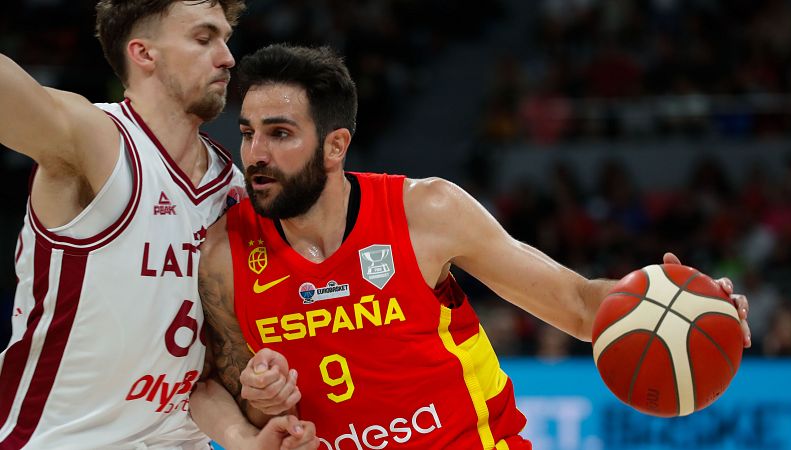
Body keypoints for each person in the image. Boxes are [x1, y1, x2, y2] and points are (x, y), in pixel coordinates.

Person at [195, 44, 752, 449]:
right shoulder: (226, 253)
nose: (255, 154)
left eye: (280, 133)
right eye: (247, 133)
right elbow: (228, 391)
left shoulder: (425, 212)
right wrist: (258, 400)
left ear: (336, 145)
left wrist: (672, 301)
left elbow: (582, 306)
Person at [0, 1, 317, 448]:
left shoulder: (237, 192)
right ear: (144, 54)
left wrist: (248, 432)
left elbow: (206, 375)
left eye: (226, 40)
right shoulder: (96, 141)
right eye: (204, 39)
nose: (227, 57)